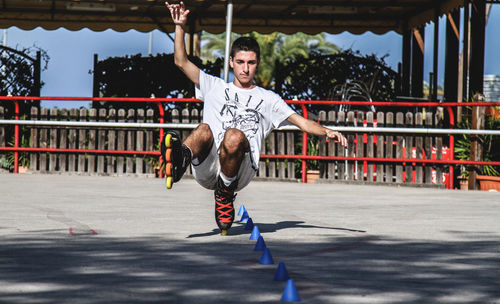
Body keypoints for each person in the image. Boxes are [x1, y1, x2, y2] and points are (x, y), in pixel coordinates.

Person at [163, 1, 348, 235]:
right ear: (231, 62)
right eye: (240, 62)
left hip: (240, 169)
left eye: (250, 63)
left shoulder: (269, 99)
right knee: (204, 129)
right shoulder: (213, 86)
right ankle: (182, 159)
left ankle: (225, 193)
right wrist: (179, 26)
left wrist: (327, 131)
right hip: (208, 165)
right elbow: (181, 61)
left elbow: (302, 122)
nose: (245, 69)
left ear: (257, 64)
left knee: (234, 136)